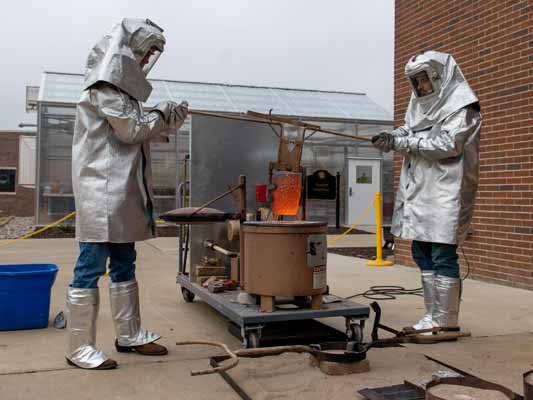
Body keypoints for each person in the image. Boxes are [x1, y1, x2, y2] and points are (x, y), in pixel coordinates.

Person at [66, 18, 188, 370]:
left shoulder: (123, 93)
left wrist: (167, 120)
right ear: (129, 50)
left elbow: (135, 132)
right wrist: (165, 113)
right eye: (148, 51)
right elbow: (132, 130)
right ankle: (78, 347)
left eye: (153, 54)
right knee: (90, 266)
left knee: (124, 261)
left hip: (120, 192)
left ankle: (129, 333)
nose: (149, 59)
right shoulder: (104, 89)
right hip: (100, 191)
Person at [372, 51, 481, 331]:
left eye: (423, 81)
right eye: (415, 82)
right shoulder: (420, 105)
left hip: (447, 191)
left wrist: (405, 144)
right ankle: (433, 315)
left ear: (439, 77)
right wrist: (392, 138)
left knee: (442, 254)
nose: (420, 88)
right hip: (421, 190)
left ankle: (445, 320)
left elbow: (449, 144)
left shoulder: (463, 107)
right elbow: (410, 131)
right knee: (422, 252)